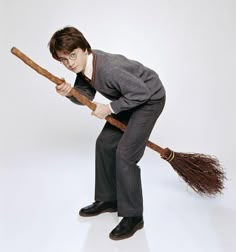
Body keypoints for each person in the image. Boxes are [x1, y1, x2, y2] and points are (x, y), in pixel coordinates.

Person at [48, 26, 166, 240]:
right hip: (129, 99)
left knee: (125, 155)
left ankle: (133, 217)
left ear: (84, 48)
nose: (69, 63)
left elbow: (142, 92)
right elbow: (84, 94)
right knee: (104, 144)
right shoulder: (83, 68)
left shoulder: (109, 68)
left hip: (149, 100)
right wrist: (69, 92)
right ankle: (108, 199)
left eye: (72, 55)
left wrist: (110, 108)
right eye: (63, 60)